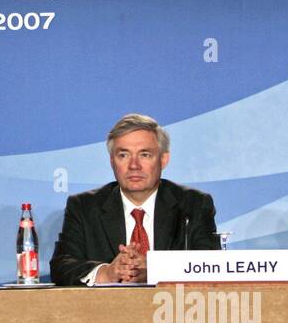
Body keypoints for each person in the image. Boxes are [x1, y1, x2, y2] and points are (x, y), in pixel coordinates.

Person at [51, 113, 218, 286]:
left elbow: (211, 265)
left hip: (172, 309)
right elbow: (61, 265)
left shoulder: (193, 205)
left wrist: (155, 270)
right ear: (112, 161)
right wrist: (106, 273)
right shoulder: (84, 207)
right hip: (107, 310)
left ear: (163, 160)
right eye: (123, 155)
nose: (134, 166)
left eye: (145, 155)